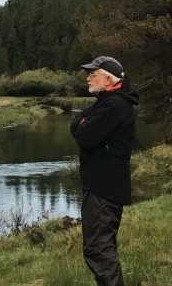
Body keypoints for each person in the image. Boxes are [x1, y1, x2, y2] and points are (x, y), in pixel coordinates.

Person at [70, 56, 139, 286]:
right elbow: (75, 124)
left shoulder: (115, 105)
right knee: (99, 249)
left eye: (93, 73)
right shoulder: (106, 101)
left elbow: (84, 135)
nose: (88, 77)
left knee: (99, 249)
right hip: (100, 186)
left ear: (108, 79)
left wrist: (84, 122)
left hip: (104, 189)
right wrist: (83, 121)